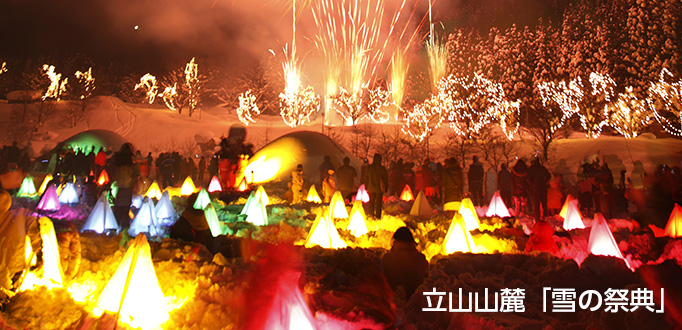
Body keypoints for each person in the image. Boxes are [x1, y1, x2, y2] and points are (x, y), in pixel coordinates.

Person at [0, 190, 41, 304]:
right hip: (15, 261)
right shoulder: (19, 215)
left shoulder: (18, 216)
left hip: (13, 261)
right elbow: (33, 228)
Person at [382, 227, 429, 299]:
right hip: (418, 299)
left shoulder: (388, 259)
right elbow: (427, 278)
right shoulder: (420, 258)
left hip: (393, 300)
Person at [111, 143, 139, 228]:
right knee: (125, 208)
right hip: (128, 185)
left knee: (118, 206)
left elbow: (112, 169)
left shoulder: (116, 158)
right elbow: (136, 171)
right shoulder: (131, 160)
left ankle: (115, 225)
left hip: (118, 185)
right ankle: (124, 227)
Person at [363, 153, 388, 219]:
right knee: (378, 204)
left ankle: (371, 215)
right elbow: (385, 179)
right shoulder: (382, 169)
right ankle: (378, 216)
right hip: (379, 189)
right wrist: (386, 187)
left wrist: (366, 186)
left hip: (371, 188)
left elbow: (366, 178)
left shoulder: (369, 168)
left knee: (371, 203)